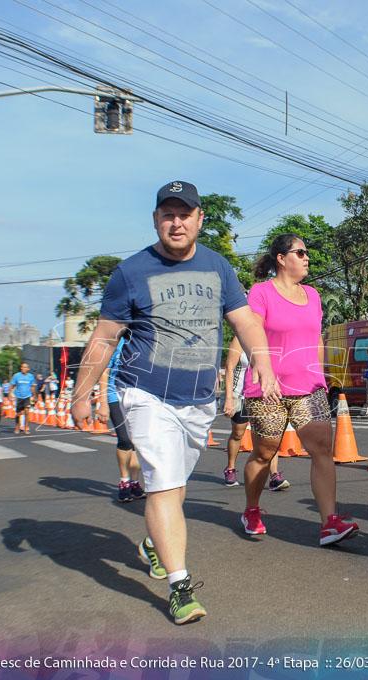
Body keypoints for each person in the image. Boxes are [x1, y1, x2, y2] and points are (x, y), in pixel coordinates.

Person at [70, 180, 278, 625]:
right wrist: (81, 392)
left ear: (200, 219)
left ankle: (154, 543)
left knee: (175, 484)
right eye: (168, 214)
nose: (177, 221)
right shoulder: (131, 272)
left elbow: (245, 321)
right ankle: (180, 586)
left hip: (197, 400)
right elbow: (105, 337)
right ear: (156, 219)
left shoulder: (219, 268)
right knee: (163, 484)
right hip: (144, 393)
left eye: (185, 214)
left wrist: (264, 365)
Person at [238, 233, 359, 546]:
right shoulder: (261, 292)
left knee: (321, 449)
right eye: (301, 252)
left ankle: (329, 522)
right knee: (264, 453)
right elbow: (252, 332)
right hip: (269, 389)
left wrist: (324, 376)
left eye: (307, 253)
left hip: (309, 387)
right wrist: (263, 373)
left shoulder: (313, 295)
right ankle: (251, 509)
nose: (307, 258)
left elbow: (317, 339)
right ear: (281, 258)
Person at [221, 338, 288, 490]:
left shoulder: (267, 338)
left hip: (263, 394)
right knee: (238, 434)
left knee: (271, 435)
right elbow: (229, 368)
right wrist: (229, 398)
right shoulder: (239, 339)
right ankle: (230, 468)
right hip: (241, 394)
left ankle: (274, 476)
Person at [98, 335, 145, 504]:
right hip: (114, 396)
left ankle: (134, 482)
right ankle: (124, 481)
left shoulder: (143, 341)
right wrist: (102, 403)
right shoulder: (115, 342)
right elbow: (104, 372)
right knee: (124, 439)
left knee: (136, 442)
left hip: (136, 397)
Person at [9, 362, 37, 435]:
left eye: (25, 367)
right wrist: (9, 394)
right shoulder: (16, 376)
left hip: (27, 396)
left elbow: (32, 387)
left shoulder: (31, 376)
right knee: (18, 414)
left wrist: (34, 396)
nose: (23, 368)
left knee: (27, 412)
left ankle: (25, 428)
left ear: (28, 369)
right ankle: (17, 427)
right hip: (18, 396)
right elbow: (12, 385)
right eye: (22, 367)